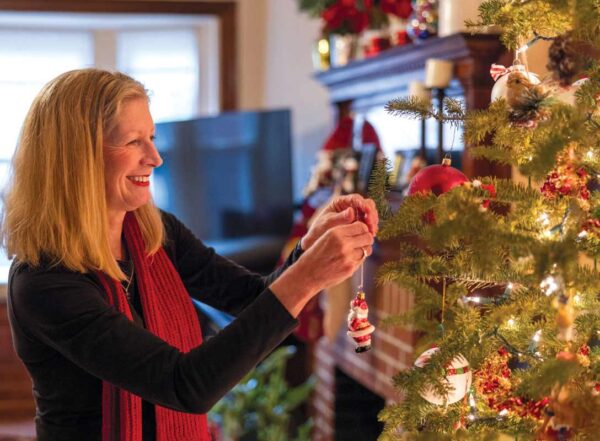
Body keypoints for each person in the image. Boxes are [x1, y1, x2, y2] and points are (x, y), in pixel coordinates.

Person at [1, 68, 378, 441]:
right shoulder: (43, 281)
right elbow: (184, 385)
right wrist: (308, 276)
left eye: (151, 137)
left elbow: (250, 298)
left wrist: (307, 249)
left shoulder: (154, 232)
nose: (155, 157)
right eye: (133, 142)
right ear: (76, 158)